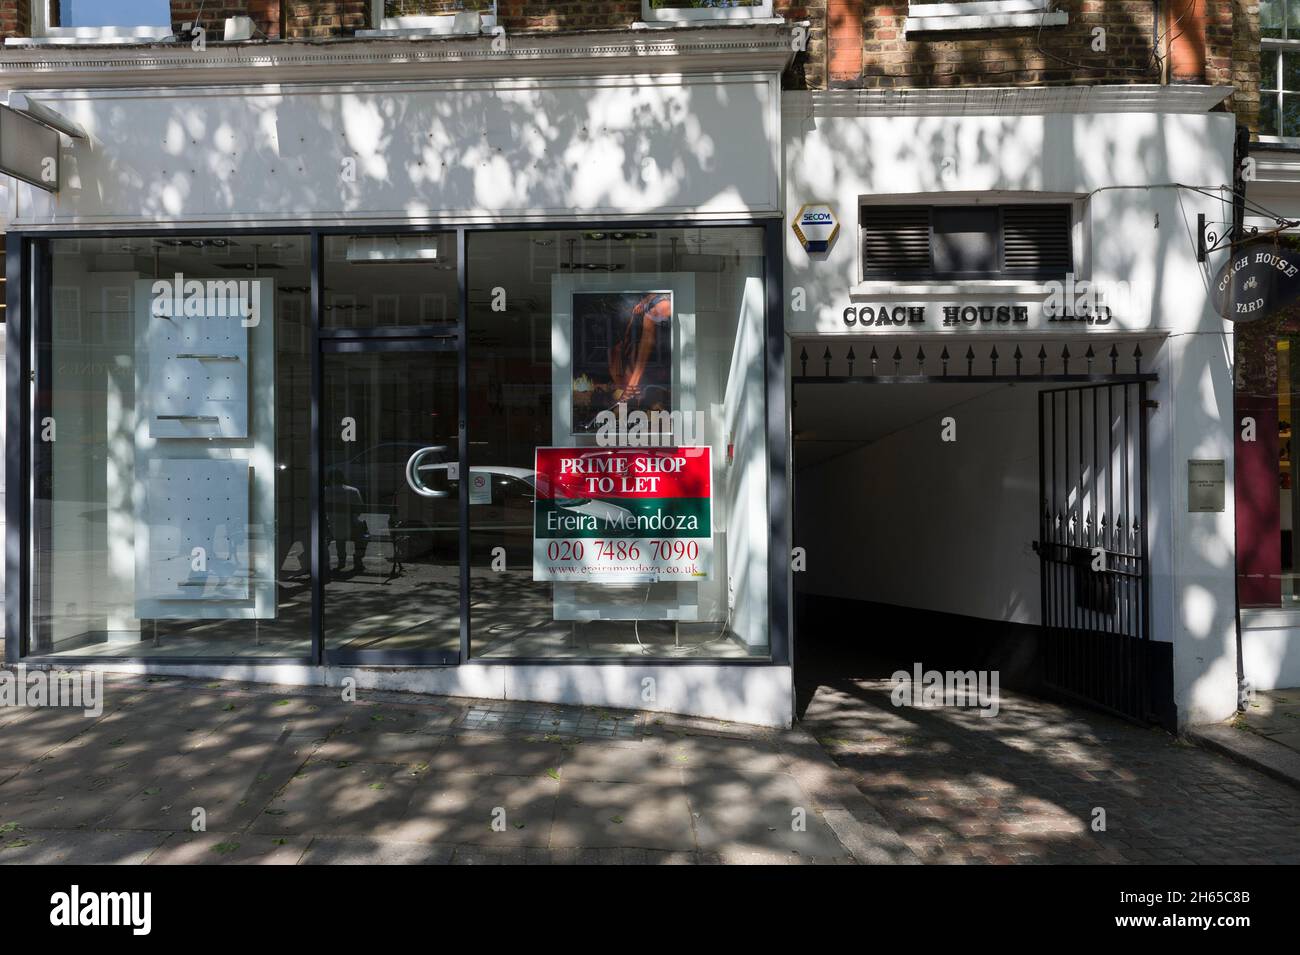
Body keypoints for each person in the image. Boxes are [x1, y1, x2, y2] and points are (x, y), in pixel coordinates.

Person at [609, 292, 671, 405]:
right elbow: (645, 344)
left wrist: (633, 382)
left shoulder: (659, 308)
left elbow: (646, 342)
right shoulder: (651, 312)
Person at [323, 468, 368, 573]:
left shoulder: (324, 491)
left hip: (332, 529)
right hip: (352, 528)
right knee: (363, 533)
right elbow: (359, 510)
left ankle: (341, 561)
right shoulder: (353, 491)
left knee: (339, 533)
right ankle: (358, 560)